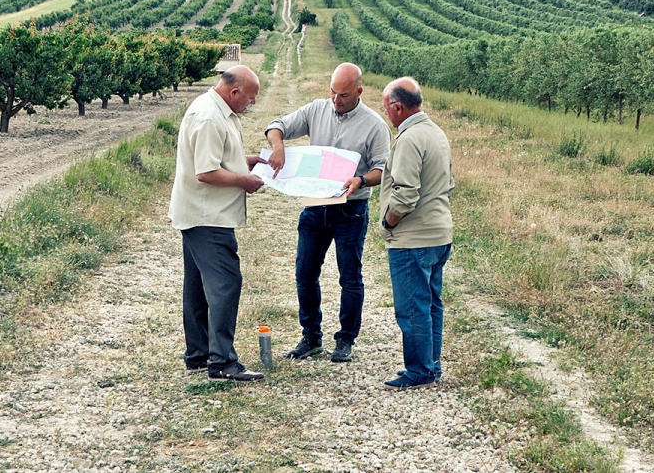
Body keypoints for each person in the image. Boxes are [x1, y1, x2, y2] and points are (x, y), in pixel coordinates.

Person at [265, 62, 391, 363]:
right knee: (305, 273)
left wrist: (360, 179)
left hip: (351, 209)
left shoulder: (375, 126)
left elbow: (384, 168)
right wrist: (278, 146)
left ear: (359, 92)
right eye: (333, 92)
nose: (337, 100)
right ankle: (311, 337)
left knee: (349, 277)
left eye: (344, 95)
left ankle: (346, 340)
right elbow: (276, 125)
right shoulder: (316, 110)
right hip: (315, 205)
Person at [168, 65, 267, 382]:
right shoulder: (210, 117)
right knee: (225, 284)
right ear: (235, 92)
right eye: (250, 98)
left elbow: (215, 158)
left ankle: (198, 354)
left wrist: (245, 161)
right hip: (208, 217)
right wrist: (244, 180)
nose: (251, 104)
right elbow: (206, 172)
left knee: (197, 287)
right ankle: (222, 361)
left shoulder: (213, 109)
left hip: (197, 213)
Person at [378, 77, 454, 390]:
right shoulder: (435, 132)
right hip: (439, 233)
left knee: (412, 307)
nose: (385, 113)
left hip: (414, 238)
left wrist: (389, 222)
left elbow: (406, 193)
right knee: (431, 303)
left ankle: (420, 369)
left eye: (386, 107)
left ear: (397, 107)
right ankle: (431, 364)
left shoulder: (409, 139)